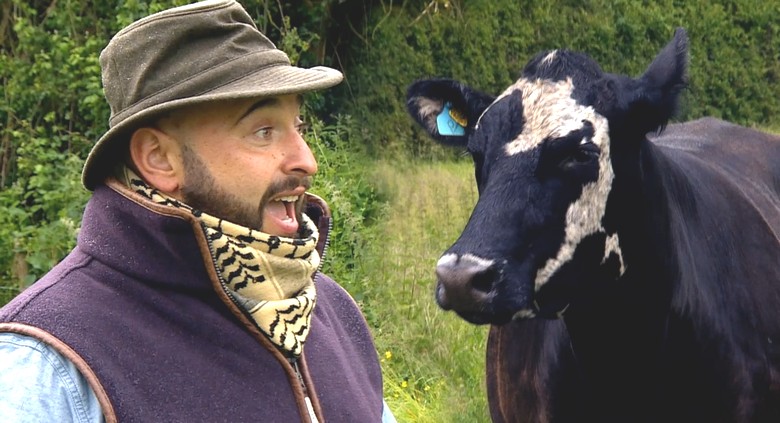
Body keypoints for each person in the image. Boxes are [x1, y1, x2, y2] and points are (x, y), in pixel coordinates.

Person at [0, 1, 396, 422]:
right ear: (159, 158)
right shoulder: (45, 364)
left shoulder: (330, 311)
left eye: (298, 127)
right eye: (264, 131)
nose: (306, 161)